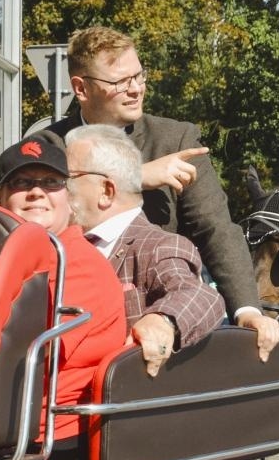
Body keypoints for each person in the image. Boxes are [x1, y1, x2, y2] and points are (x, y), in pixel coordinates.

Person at [44, 26, 279, 361]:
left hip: (162, 327)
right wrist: (137, 176)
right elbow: (42, 217)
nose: (136, 89)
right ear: (81, 88)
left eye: (139, 75)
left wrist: (247, 309)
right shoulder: (49, 146)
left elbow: (216, 230)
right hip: (71, 323)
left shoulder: (176, 139)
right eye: (119, 82)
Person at [0, 133, 129, 451]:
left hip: (50, 438)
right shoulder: (1, 256)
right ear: (0, 199)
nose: (36, 192)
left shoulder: (77, 263)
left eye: (51, 182)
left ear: (69, 199)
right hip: (1, 423)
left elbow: (30, 356)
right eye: (21, 182)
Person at [64, 124, 226, 377]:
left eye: (67, 178)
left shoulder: (157, 247)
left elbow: (199, 295)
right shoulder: (60, 244)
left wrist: (163, 320)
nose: (57, 190)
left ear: (106, 191)